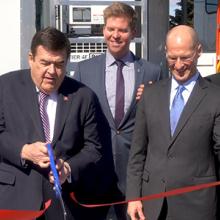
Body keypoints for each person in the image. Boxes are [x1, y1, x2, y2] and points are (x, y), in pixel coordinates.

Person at [0, 27, 108, 220]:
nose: (52, 71)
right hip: (15, 201)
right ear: (31, 58)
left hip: (64, 206)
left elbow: (95, 148)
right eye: (45, 63)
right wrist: (23, 151)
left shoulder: (83, 96)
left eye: (59, 64)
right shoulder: (5, 87)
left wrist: (68, 168)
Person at [73, 2, 162, 219]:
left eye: (122, 30)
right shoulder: (84, 70)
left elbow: (159, 123)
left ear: (133, 32)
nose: (115, 35)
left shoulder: (152, 72)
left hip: (136, 176)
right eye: (110, 29)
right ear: (103, 30)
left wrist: (153, 98)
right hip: (94, 175)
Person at [126, 25, 220, 220]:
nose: (178, 65)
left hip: (197, 207)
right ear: (166, 52)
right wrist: (133, 197)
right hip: (152, 204)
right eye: (172, 58)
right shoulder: (150, 95)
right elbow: (137, 152)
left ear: (198, 51)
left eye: (185, 57)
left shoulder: (215, 97)